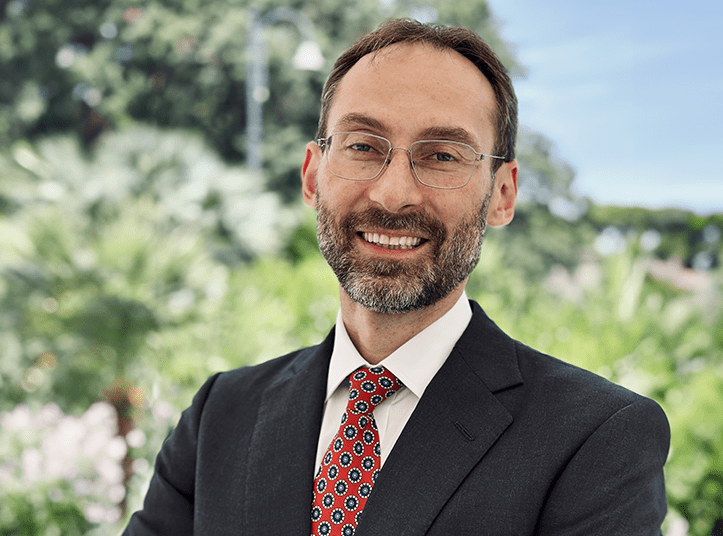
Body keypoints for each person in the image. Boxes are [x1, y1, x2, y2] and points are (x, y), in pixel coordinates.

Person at [123, 18, 669, 536]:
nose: (393, 194)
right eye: (362, 146)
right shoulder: (221, 414)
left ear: (501, 195)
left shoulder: (598, 437)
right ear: (313, 176)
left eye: (441, 155)